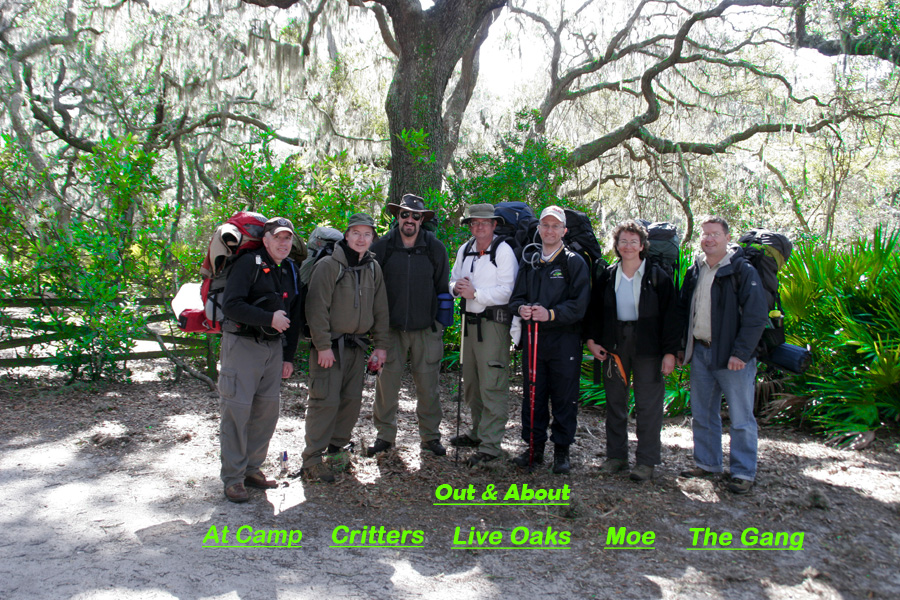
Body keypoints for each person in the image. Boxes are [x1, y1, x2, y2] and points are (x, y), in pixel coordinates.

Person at [678, 216, 767, 494]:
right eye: (705, 234)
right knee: (703, 413)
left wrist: (741, 352)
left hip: (733, 357)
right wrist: (682, 347)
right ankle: (707, 463)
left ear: (727, 237)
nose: (709, 239)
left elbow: (756, 316)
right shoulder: (696, 269)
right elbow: (684, 311)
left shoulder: (741, 270)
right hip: (701, 352)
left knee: (741, 418)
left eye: (715, 234)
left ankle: (742, 472)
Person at [586, 220, 680, 482]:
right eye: (623, 241)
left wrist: (670, 352)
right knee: (616, 403)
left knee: (648, 406)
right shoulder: (607, 276)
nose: (627, 246)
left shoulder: (658, 276)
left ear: (642, 245)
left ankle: (646, 462)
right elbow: (594, 312)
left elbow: (672, 316)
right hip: (615, 346)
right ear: (616, 245)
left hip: (649, 347)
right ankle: (616, 457)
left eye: (633, 241)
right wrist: (592, 340)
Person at [218, 217, 302, 503]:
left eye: (288, 238)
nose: (283, 243)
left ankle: (252, 470)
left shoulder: (290, 269)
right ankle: (233, 478)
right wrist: (268, 318)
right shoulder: (248, 264)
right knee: (237, 411)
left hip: (273, 348)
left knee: (266, 414)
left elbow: (296, 315)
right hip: (242, 345)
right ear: (265, 240)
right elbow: (231, 305)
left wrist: (288, 357)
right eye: (278, 237)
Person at [301, 213, 389, 483]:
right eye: (356, 233)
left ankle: (337, 450)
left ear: (372, 238)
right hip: (329, 348)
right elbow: (316, 308)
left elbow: (381, 309)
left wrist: (381, 346)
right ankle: (312, 460)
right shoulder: (329, 265)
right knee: (324, 402)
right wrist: (323, 346)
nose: (361, 239)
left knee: (350, 401)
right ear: (346, 235)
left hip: (357, 347)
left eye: (367, 234)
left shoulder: (373, 268)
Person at [367, 194, 451, 457]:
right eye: (405, 215)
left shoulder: (435, 248)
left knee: (428, 387)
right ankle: (384, 436)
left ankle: (430, 437)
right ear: (397, 217)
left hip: (426, 329)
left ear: (422, 219)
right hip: (390, 331)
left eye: (416, 216)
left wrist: (437, 324)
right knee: (386, 387)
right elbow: (373, 289)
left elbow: (441, 288)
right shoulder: (382, 247)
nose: (410, 220)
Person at [508, 205, 590, 474]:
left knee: (564, 397)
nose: (550, 230)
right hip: (533, 341)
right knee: (533, 395)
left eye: (556, 226)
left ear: (564, 231)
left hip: (564, 341)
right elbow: (516, 298)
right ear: (539, 229)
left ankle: (562, 452)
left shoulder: (574, 262)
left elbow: (579, 306)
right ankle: (534, 447)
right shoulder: (530, 259)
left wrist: (551, 314)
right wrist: (522, 309)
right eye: (545, 225)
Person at [448, 203, 518, 467]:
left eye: (484, 223)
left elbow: (507, 291)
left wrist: (475, 294)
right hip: (469, 324)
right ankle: (477, 433)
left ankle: (491, 445)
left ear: (494, 225)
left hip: (493, 326)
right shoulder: (464, 250)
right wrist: (458, 289)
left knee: (492, 383)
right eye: (474, 223)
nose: (479, 227)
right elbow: (452, 279)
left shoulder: (503, 251)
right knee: (472, 383)